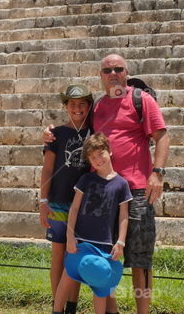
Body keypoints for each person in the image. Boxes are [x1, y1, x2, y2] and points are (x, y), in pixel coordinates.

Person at [45, 54, 169, 314]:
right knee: (102, 255)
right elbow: (76, 124)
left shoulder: (141, 100)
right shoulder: (98, 106)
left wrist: (157, 173)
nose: (113, 73)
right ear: (101, 76)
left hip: (135, 190)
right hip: (100, 191)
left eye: (118, 69)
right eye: (107, 70)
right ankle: (110, 310)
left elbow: (162, 136)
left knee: (140, 260)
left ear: (126, 72)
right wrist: (51, 133)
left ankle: (142, 312)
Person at [53, 133, 131, 314]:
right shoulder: (86, 180)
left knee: (101, 285)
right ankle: (56, 311)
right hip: (80, 240)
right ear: (89, 161)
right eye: (93, 158)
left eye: (100, 154)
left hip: (104, 244)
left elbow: (123, 216)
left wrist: (120, 242)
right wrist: (69, 236)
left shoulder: (122, 184)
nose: (98, 160)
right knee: (68, 276)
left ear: (109, 151)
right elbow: (74, 209)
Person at [40, 83, 93, 314]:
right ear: (65, 106)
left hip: (82, 206)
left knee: (76, 258)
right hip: (58, 202)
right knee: (58, 256)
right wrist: (43, 202)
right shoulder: (57, 134)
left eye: (82, 104)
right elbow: (47, 169)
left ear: (89, 106)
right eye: (72, 104)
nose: (77, 108)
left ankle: (72, 306)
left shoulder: (95, 133)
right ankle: (57, 306)